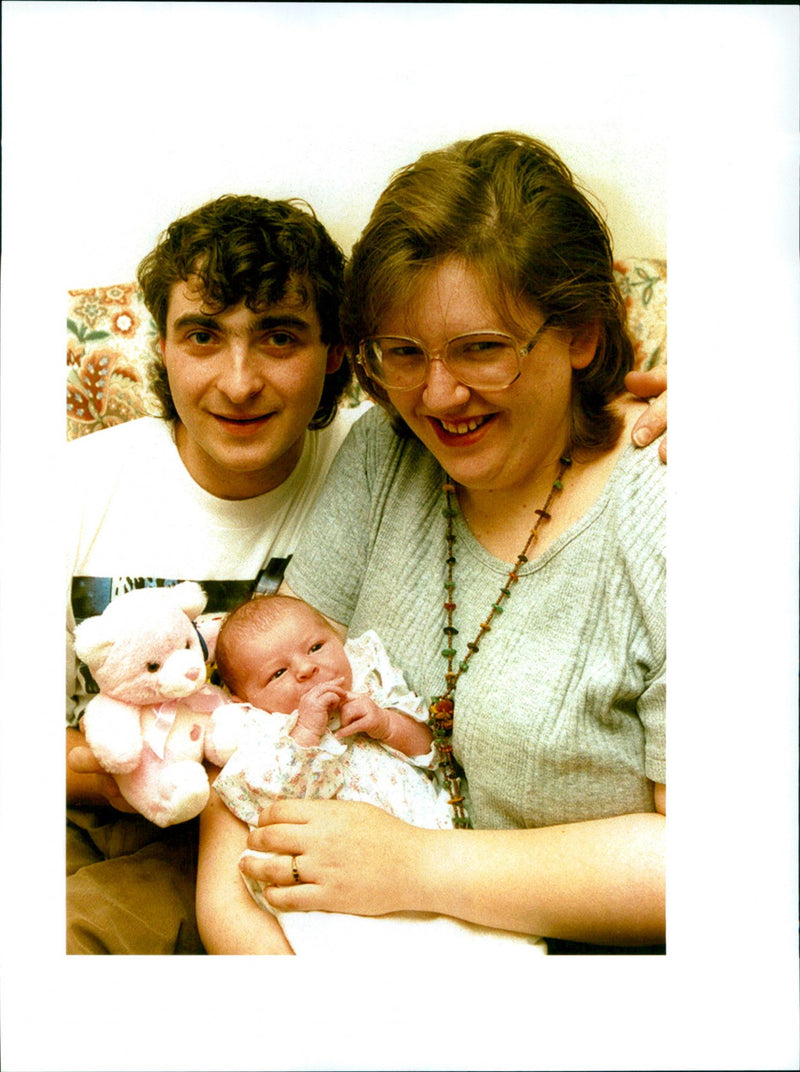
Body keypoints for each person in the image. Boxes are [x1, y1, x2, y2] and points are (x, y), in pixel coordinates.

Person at [232, 132, 667, 954]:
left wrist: (422, 868)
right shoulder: (383, 451)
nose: (438, 396)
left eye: (482, 350)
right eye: (403, 354)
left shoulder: (668, 505)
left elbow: (723, 861)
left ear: (580, 334)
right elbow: (258, 729)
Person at [65, 194, 366, 954]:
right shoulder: (69, 487)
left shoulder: (384, 464)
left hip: (293, 828)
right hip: (99, 817)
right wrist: (113, 775)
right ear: (162, 348)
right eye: (203, 337)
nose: (239, 383)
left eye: (279, 338)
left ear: (335, 352)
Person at [197, 593, 545, 954]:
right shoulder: (259, 730)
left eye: (316, 646)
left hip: (425, 834)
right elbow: (266, 802)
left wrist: (387, 724)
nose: (305, 668)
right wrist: (305, 733)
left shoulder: (372, 683)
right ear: (244, 700)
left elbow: (429, 750)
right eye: (278, 673)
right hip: (329, 871)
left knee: (480, 934)